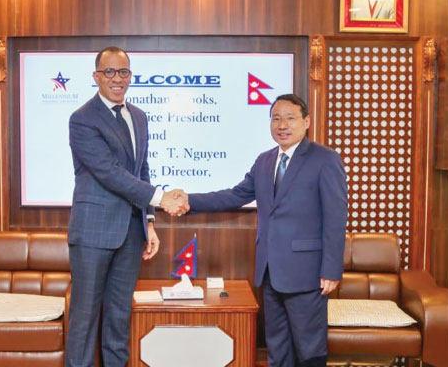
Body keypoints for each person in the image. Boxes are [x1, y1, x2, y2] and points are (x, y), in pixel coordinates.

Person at [179, 94, 347, 367]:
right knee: (277, 349)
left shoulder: (325, 159)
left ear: (306, 122)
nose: (282, 125)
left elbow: (335, 217)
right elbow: (235, 195)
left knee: (309, 351)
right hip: (270, 272)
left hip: (307, 274)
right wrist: (188, 200)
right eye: (276, 118)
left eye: (290, 118)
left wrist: (331, 269)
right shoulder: (265, 161)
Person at [64, 46, 188, 367]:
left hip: (131, 233)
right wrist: (162, 198)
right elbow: (109, 173)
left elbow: (140, 169)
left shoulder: (139, 116)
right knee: (84, 321)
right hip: (93, 234)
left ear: (130, 76)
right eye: (109, 72)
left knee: (118, 320)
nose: (117, 78)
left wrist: (149, 222)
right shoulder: (82, 119)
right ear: (96, 76)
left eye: (123, 72)